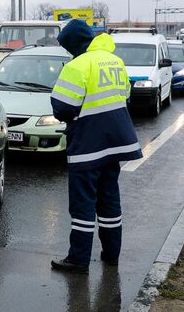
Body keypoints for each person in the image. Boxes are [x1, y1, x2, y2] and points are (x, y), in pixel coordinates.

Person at [50, 19, 143, 274]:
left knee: (82, 205)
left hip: (88, 146)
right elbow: (125, 94)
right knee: (109, 200)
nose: (67, 52)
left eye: (67, 46)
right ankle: (111, 254)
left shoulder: (77, 65)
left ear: (74, 43)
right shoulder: (115, 61)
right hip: (115, 145)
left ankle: (78, 260)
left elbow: (62, 108)